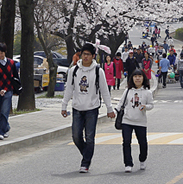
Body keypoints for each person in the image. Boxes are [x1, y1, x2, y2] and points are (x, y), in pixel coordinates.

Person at [61, 43, 115, 173]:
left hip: (92, 108)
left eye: (88, 54)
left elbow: (104, 90)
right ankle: (87, 153)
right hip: (77, 107)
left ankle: (85, 163)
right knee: (76, 136)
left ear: (93, 56)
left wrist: (109, 108)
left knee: (90, 137)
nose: (85, 57)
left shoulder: (98, 71)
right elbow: (69, 89)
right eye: (83, 54)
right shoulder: (74, 70)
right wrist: (64, 105)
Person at [117, 69, 154, 173]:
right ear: (132, 78)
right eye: (135, 76)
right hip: (127, 121)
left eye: (140, 76)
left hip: (140, 122)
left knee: (142, 142)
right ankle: (128, 163)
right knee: (126, 142)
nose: (137, 78)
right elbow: (121, 103)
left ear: (143, 78)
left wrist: (145, 106)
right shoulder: (128, 91)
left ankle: (142, 159)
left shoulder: (147, 92)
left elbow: (151, 105)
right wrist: (114, 111)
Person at [0, 42, 20, 140]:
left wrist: (17, 89)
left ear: (5, 52)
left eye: (1, 53)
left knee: (5, 111)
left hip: (8, 90)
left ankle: (0, 132)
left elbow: (15, 77)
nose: (0, 55)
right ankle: (6, 127)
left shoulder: (12, 63)